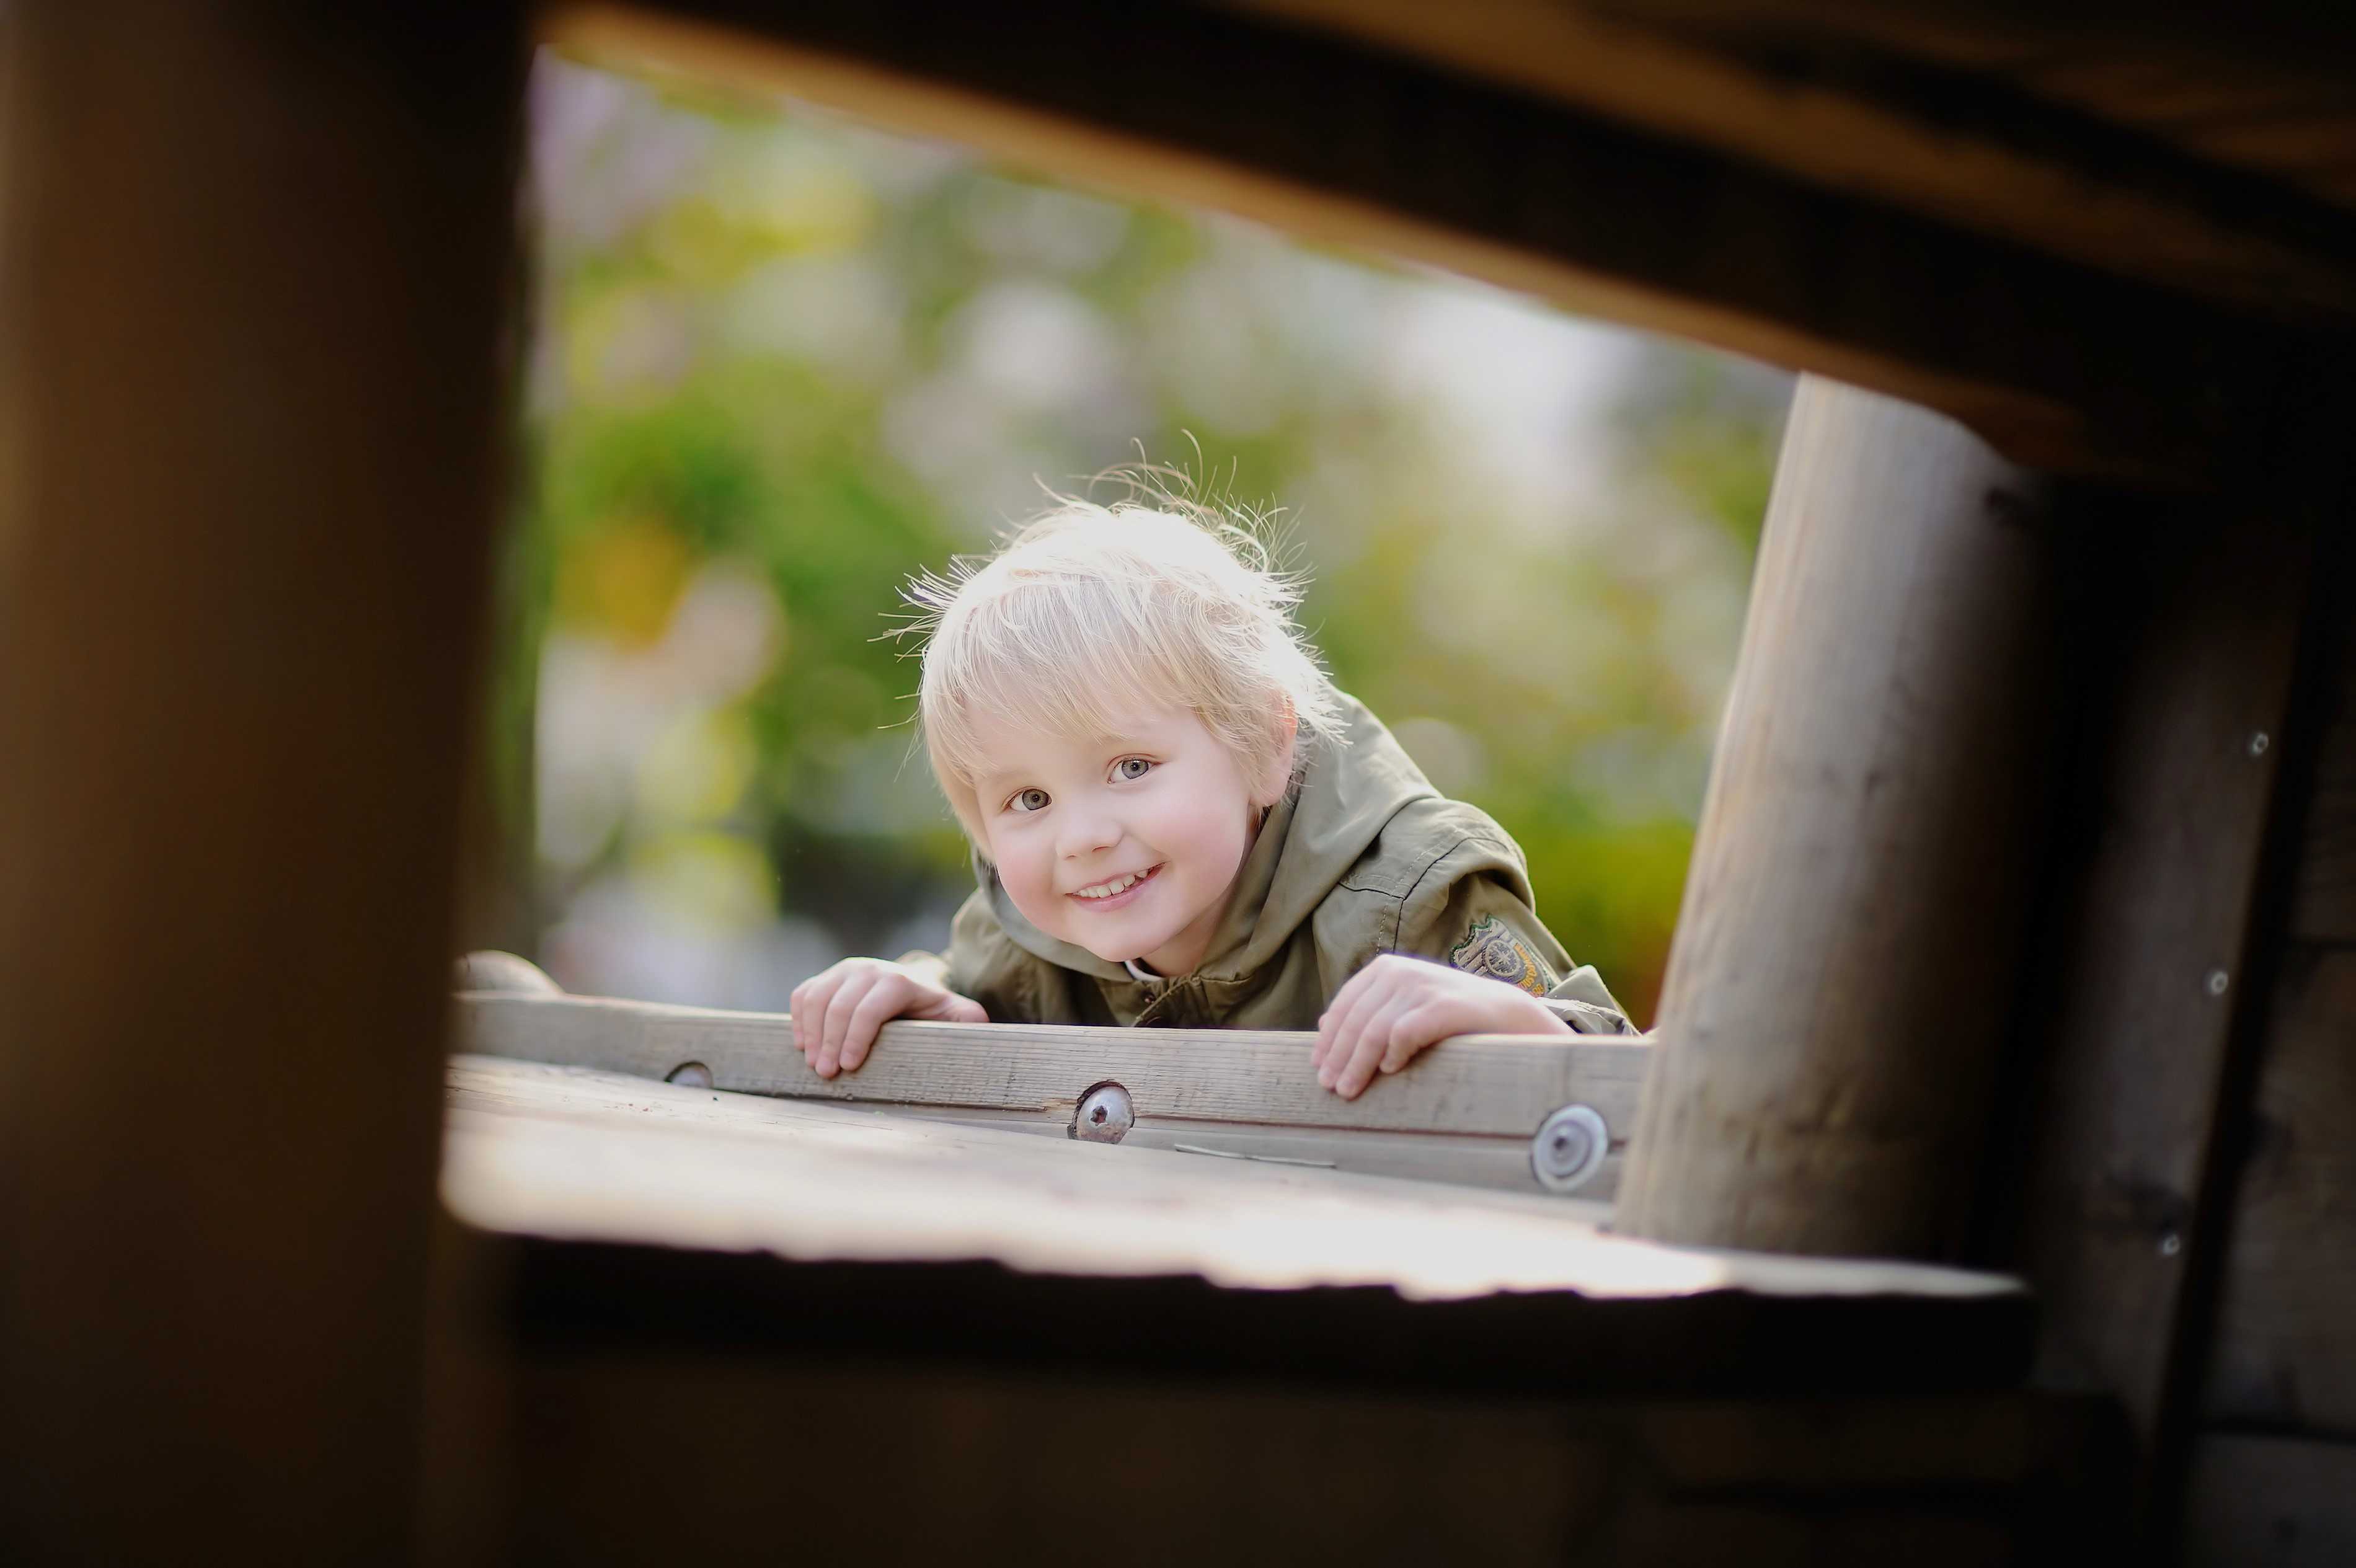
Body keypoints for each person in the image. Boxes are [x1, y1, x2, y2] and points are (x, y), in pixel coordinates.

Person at [789, 495, 1631, 1100]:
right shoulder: (1022, 942)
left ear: (1264, 746)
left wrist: (1521, 1029)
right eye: (1029, 799)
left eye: (1129, 767)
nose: (1079, 837)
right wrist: (931, 1000)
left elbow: (1635, 1089)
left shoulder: (1411, 898)